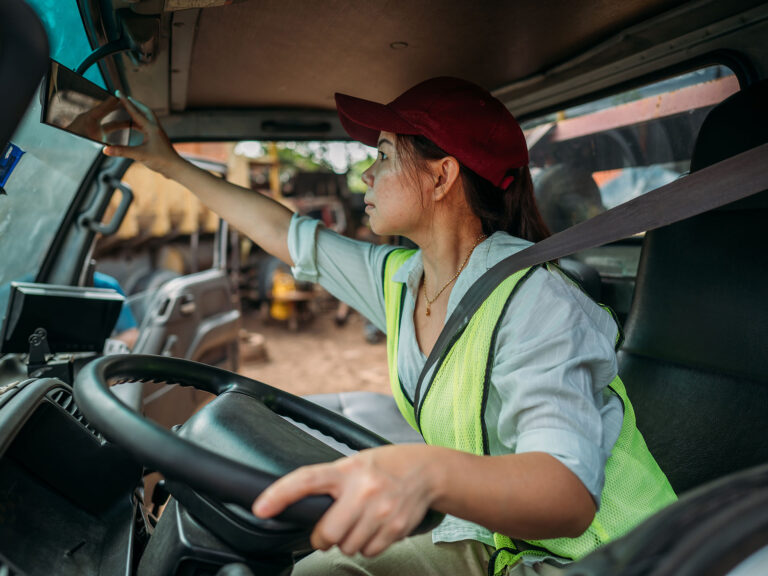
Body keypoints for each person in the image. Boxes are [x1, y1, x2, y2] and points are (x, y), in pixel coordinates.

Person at [104, 77, 676, 576]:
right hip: (502, 543)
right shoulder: (403, 279)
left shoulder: (541, 302)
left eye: (382, 154)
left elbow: (567, 495)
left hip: (610, 557)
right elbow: (284, 233)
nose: (363, 177)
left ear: (441, 176)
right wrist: (169, 164)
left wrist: (425, 473)